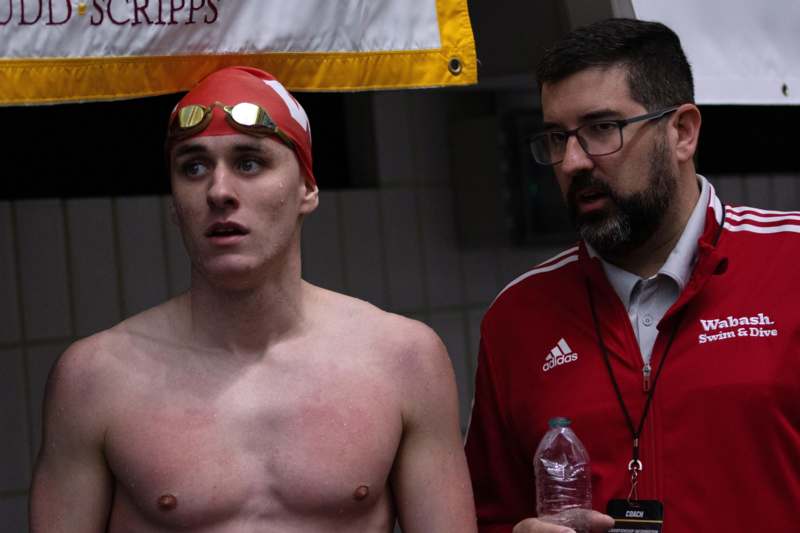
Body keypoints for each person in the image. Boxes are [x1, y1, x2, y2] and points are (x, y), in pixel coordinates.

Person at [30, 66, 477, 532]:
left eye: (249, 163)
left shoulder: (403, 359)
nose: (219, 191)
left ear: (307, 188)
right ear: (173, 203)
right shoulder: (95, 379)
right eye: (193, 167)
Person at [465, 17, 800, 533]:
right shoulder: (517, 317)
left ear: (682, 132)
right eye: (557, 137)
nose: (573, 161)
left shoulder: (789, 264)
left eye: (603, 128)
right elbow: (487, 514)